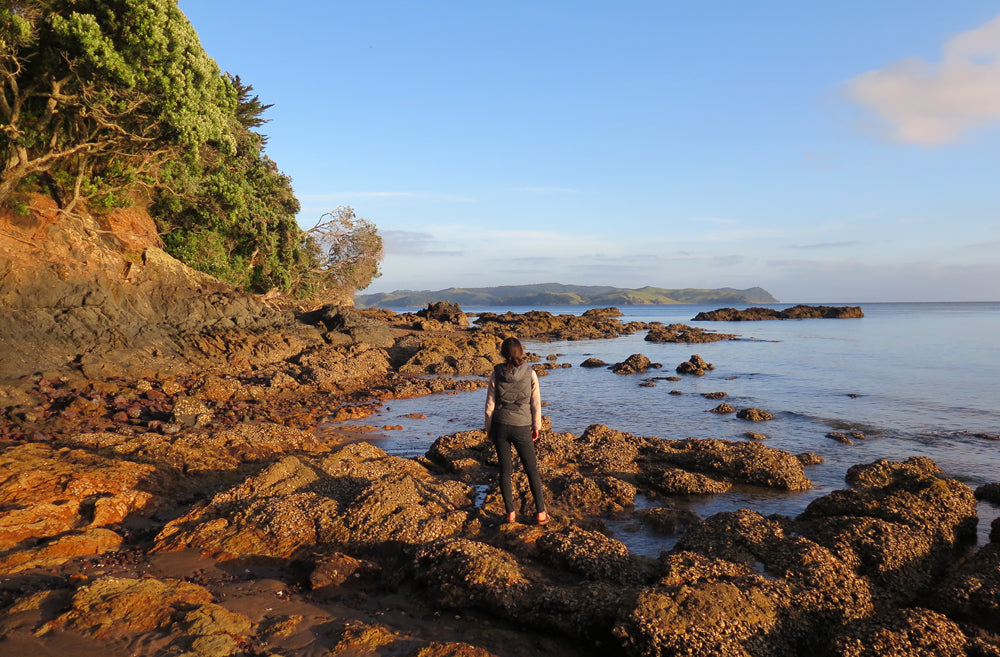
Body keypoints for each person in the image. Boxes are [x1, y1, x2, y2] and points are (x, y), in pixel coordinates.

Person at [484, 336, 549, 525]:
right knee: (532, 470)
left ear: (503, 354)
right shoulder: (530, 373)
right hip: (522, 426)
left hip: (500, 426)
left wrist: (489, 429)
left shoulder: (496, 373)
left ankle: (510, 514)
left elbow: (490, 405)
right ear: (521, 352)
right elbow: (535, 403)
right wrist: (536, 426)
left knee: (505, 471)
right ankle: (541, 513)